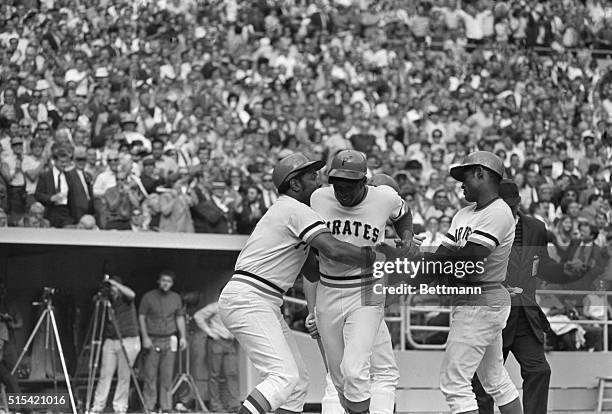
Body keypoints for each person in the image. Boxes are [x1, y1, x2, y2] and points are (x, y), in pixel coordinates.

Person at [218, 153, 408, 414]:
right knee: (283, 377)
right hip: (251, 296)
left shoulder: (292, 209)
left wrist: (314, 308)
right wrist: (384, 256)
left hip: (261, 297)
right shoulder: (296, 210)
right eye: (310, 177)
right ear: (295, 184)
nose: (317, 183)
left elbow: (310, 265)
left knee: (296, 383)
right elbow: (334, 250)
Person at [402, 151, 523, 414]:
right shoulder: (464, 214)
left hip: (482, 300)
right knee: (494, 379)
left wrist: (429, 260)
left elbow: (469, 260)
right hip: (472, 301)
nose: (461, 184)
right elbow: (443, 257)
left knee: (454, 383)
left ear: (482, 174)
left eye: (465, 176)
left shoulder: (499, 211)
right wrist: (405, 285)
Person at [306, 151, 416, 414]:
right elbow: (309, 263)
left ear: (363, 182)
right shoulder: (318, 198)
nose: (342, 190)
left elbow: (403, 214)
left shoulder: (384, 197)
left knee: (355, 370)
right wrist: (312, 308)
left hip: (366, 289)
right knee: (339, 379)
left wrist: (407, 236)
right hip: (328, 290)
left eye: (349, 184)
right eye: (337, 184)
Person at [471, 179, 586, 414]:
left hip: (525, 314)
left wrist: (566, 271)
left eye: (512, 205)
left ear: (519, 202)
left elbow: (542, 265)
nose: (509, 209)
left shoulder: (535, 227)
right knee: (484, 380)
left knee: (539, 371)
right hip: (494, 315)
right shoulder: (480, 225)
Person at [139, 270, 187, 413]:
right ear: (158, 281)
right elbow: (141, 317)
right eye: (163, 280)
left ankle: (166, 407)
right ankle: (149, 407)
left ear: (172, 283)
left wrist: (183, 336)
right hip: (152, 339)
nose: (166, 283)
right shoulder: (148, 297)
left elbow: (179, 318)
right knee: (150, 376)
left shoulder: (176, 298)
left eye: (169, 281)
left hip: (170, 338)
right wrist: (145, 337)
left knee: (167, 376)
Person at [91, 277, 141, 414]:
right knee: (105, 374)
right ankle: (97, 406)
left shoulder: (126, 298)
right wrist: (102, 293)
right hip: (111, 339)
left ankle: (120, 407)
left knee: (124, 375)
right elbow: (95, 301)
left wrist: (114, 283)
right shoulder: (107, 301)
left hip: (128, 339)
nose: (112, 291)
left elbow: (132, 294)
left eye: (113, 289)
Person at [194, 294, 240, 412]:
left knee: (232, 374)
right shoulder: (216, 306)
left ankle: (234, 405)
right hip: (217, 341)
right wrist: (210, 332)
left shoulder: (236, 308)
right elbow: (198, 316)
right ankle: (215, 406)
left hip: (230, 343)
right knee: (215, 375)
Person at [34, 147, 74, 227]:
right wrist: (51, 198)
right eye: (62, 162)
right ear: (55, 161)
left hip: (65, 212)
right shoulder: (45, 176)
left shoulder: (69, 176)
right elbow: (38, 194)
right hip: (51, 211)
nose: (64, 164)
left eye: (66, 162)